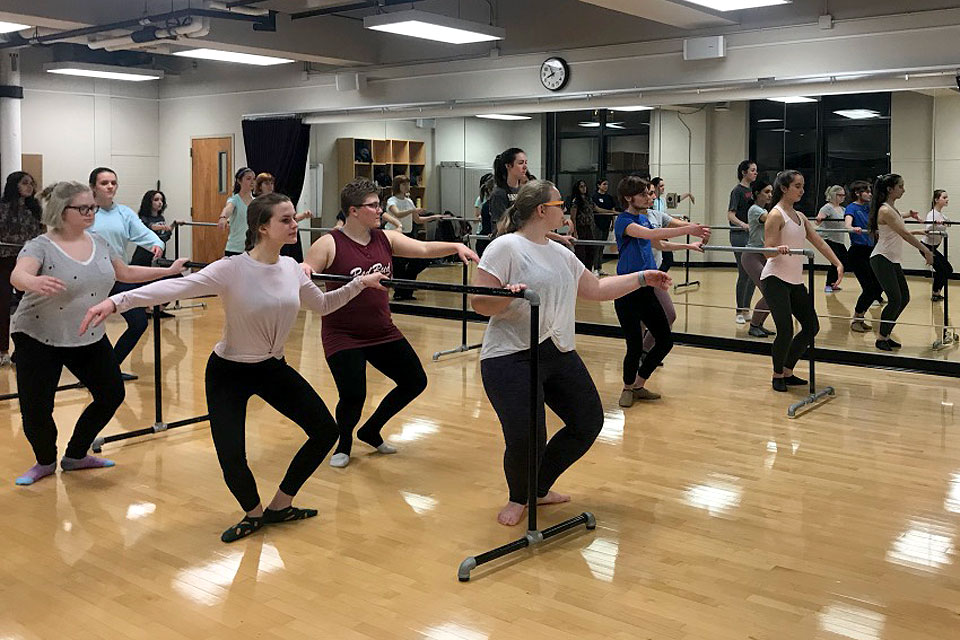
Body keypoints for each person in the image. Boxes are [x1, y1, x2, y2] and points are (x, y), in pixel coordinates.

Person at [82, 192, 384, 541]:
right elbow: (176, 287)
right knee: (231, 454)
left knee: (325, 432)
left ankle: (280, 505)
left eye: (293, 218)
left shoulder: (291, 268)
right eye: (286, 220)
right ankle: (253, 513)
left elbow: (324, 305)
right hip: (228, 372)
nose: (294, 225)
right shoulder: (231, 269)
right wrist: (118, 301)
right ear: (262, 228)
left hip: (272, 368)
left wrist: (360, 283)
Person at [470, 179, 671, 526]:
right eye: (560, 204)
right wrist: (508, 294)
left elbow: (594, 289)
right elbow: (479, 302)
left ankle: (538, 488)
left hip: (557, 349)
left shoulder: (559, 251)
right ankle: (519, 497)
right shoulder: (506, 248)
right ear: (541, 211)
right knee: (527, 434)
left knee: (588, 421)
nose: (565, 210)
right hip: (510, 356)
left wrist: (642, 278)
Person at [10, 181, 186, 486]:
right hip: (38, 336)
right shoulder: (40, 245)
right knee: (37, 408)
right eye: (84, 208)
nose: (91, 212)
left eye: (92, 206)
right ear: (61, 211)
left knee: (111, 393)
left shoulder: (99, 242)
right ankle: (45, 461)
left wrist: (168, 271)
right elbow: (19, 273)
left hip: (86, 334)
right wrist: (32, 282)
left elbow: (126, 273)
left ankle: (76, 455)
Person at [303, 178, 479, 469]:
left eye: (379, 205)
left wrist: (456, 245)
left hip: (382, 330)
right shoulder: (329, 243)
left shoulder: (385, 238)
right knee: (354, 394)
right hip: (342, 333)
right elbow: (307, 278)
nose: (380, 211)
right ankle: (344, 441)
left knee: (415, 381)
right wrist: (305, 269)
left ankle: (370, 429)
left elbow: (422, 249)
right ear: (353, 211)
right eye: (373, 206)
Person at [614, 175, 709, 406]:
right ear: (629, 197)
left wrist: (688, 244)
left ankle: (639, 384)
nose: (649, 197)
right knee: (634, 344)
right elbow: (650, 235)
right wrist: (689, 229)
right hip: (626, 289)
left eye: (649, 193)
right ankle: (628, 388)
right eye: (644, 194)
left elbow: (659, 244)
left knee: (664, 340)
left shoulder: (645, 219)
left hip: (646, 288)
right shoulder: (623, 221)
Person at [761, 170, 843, 392]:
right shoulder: (776, 215)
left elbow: (819, 242)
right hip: (775, 278)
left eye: (802, 185)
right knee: (785, 329)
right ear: (784, 188)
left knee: (811, 326)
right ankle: (777, 374)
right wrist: (777, 249)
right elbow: (767, 251)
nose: (802, 190)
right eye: (797, 186)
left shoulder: (801, 217)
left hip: (794, 280)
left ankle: (788, 370)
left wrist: (837, 263)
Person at [89, 167, 165, 376]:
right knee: (90, 326)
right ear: (93, 187)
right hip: (90, 279)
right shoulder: (85, 212)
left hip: (119, 276)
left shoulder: (124, 213)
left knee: (138, 323)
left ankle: (110, 369)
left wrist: (156, 244)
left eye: (113, 182)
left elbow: (143, 233)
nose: (110, 186)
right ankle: (93, 372)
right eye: (104, 183)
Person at [869, 174, 934, 351]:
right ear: (890, 189)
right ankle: (881, 338)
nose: (903, 189)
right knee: (895, 299)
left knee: (904, 298)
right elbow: (904, 234)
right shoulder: (885, 210)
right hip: (882, 258)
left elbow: (898, 222)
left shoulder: (890, 208)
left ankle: (886, 334)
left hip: (891, 259)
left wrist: (909, 215)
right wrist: (926, 250)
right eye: (900, 186)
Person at [0, 171, 43, 366]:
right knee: (3, 305)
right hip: (5, 260)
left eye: (31, 183)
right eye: (25, 183)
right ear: (14, 185)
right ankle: (2, 350)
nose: (29, 187)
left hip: (28, 260)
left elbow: (40, 234)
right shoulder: (2, 207)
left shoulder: (34, 209)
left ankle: (24, 350)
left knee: (32, 304)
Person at [385, 174, 444, 301]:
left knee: (418, 260)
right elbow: (397, 214)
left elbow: (417, 220)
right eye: (404, 184)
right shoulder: (392, 201)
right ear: (398, 186)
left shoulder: (409, 201)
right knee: (399, 265)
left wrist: (433, 217)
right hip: (395, 235)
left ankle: (407, 289)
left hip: (408, 234)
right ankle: (401, 291)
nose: (407, 186)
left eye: (407, 184)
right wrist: (413, 211)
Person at [845, 180, 884, 332]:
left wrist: (909, 214)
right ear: (857, 193)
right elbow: (847, 223)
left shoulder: (871, 208)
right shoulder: (851, 208)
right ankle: (856, 319)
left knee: (878, 286)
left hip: (872, 251)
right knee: (869, 288)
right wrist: (852, 228)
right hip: (858, 253)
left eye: (870, 191)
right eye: (867, 191)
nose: (870, 194)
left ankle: (860, 317)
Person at [741, 180, 775, 338]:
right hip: (751, 256)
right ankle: (753, 325)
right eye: (766, 192)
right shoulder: (755, 210)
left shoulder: (763, 209)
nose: (770, 195)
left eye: (771, 192)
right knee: (769, 291)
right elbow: (771, 220)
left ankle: (759, 324)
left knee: (774, 292)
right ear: (756, 194)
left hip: (763, 255)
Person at [255, 172, 313, 261]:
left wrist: (304, 215)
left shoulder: (277, 201)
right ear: (259, 186)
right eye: (266, 183)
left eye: (271, 183)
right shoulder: (256, 204)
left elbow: (288, 220)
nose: (270, 186)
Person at [728, 160, 759, 324]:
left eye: (756, 170)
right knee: (743, 272)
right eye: (752, 170)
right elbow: (731, 215)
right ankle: (739, 310)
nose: (755, 173)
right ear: (744, 172)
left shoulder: (754, 191)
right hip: (739, 235)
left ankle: (747, 308)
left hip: (753, 235)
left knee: (753, 274)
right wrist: (743, 225)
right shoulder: (737, 191)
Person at [651, 177, 694, 272]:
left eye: (663, 186)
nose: (663, 188)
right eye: (661, 186)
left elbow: (666, 213)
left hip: (662, 231)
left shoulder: (662, 201)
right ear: (655, 187)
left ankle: (658, 276)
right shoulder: (651, 202)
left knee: (668, 259)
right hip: (654, 232)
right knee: (661, 258)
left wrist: (678, 219)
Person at [816, 185, 849, 293]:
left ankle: (834, 283)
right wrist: (821, 218)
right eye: (840, 195)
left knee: (844, 260)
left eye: (844, 195)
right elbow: (819, 219)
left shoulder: (843, 209)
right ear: (834, 195)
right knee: (835, 261)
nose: (842, 197)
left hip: (839, 239)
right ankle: (828, 285)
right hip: (828, 238)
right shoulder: (827, 207)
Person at [218, 167, 255, 257]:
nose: (252, 182)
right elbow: (228, 208)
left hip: (252, 250)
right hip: (235, 249)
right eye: (248, 179)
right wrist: (223, 218)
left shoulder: (256, 202)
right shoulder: (234, 199)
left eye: (253, 179)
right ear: (239, 181)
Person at [924, 190, 954, 302]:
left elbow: (949, 223)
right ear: (936, 200)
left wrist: (944, 223)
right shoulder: (932, 214)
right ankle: (935, 293)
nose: (947, 199)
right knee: (942, 270)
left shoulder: (940, 214)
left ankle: (936, 292)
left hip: (933, 247)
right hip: (926, 247)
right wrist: (935, 224)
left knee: (948, 269)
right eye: (944, 197)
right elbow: (926, 230)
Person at [488, 148, 527, 232]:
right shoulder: (499, 193)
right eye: (520, 163)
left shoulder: (523, 191)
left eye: (525, 163)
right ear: (508, 166)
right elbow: (500, 226)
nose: (525, 167)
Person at [131, 190, 172, 267]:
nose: (160, 202)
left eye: (161, 200)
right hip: (144, 255)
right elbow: (150, 226)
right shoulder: (143, 218)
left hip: (159, 253)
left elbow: (165, 234)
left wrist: (173, 225)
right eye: (156, 200)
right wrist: (163, 227)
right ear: (149, 202)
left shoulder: (161, 218)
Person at [568, 180, 600, 270]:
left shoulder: (588, 199)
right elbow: (573, 217)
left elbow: (597, 209)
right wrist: (575, 231)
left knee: (591, 249)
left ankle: (589, 270)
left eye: (585, 186)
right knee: (580, 252)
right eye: (581, 186)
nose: (584, 188)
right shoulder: (576, 201)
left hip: (589, 227)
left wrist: (613, 212)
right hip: (580, 227)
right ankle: (580, 271)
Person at [592, 178, 619, 275]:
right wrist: (612, 212)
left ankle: (599, 267)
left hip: (606, 225)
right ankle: (595, 267)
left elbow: (612, 209)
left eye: (607, 184)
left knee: (602, 247)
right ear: (599, 185)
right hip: (597, 224)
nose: (606, 186)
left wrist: (612, 222)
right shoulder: (594, 197)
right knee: (597, 247)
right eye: (604, 184)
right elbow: (598, 210)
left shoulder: (609, 197)